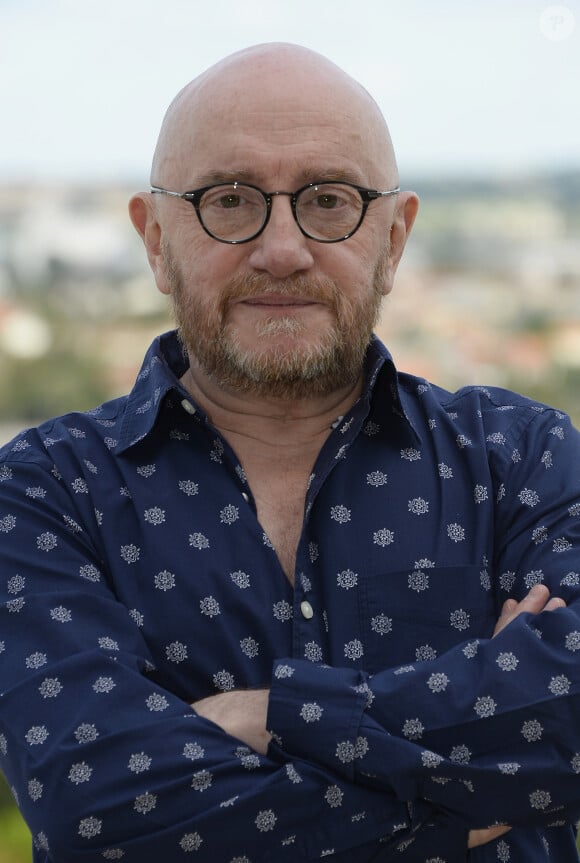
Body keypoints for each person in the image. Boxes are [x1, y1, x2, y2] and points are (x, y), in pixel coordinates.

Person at [0, 42, 579, 863]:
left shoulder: (519, 458)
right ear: (156, 238)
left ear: (395, 236)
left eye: (329, 199)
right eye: (229, 200)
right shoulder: (41, 494)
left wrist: (274, 714)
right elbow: (94, 812)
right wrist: (473, 798)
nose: (282, 247)